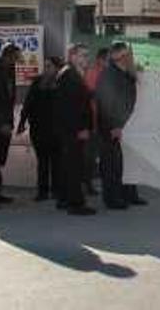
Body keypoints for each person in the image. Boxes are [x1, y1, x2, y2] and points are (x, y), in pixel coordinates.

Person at [96, 42, 145, 209]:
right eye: (128, 54)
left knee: (128, 163)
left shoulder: (126, 74)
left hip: (127, 126)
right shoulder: (109, 74)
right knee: (112, 165)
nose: (131, 57)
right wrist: (114, 126)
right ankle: (112, 198)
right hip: (113, 128)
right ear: (120, 57)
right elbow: (106, 103)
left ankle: (129, 195)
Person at [53, 43, 95, 215]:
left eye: (87, 55)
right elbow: (70, 108)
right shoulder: (70, 76)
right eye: (83, 55)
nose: (86, 59)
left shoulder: (73, 75)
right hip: (72, 130)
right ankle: (75, 203)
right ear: (73, 57)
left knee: (68, 165)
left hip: (70, 129)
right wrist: (81, 128)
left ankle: (64, 199)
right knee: (74, 166)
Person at [17, 57, 64, 201]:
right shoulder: (37, 82)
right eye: (45, 66)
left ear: (57, 68)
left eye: (49, 66)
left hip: (56, 129)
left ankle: (56, 190)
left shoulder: (62, 82)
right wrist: (22, 123)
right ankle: (42, 191)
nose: (46, 69)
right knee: (42, 162)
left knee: (57, 162)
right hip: (39, 129)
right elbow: (28, 103)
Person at [0, 43, 22, 208]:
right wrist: (1, 123)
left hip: (4, 122)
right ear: (8, 56)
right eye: (16, 56)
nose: (18, 60)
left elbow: (9, 99)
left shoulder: (9, 70)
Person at [82, 47, 110, 197]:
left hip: (101, 120)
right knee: (90, 155)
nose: (109, 62)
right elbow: (90, 93)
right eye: (107, 59)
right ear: (100, 59)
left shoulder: (105, 73)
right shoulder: (93, 73)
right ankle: (86, 183)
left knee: (96, 154)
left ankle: (90, 182)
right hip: (93, 120)